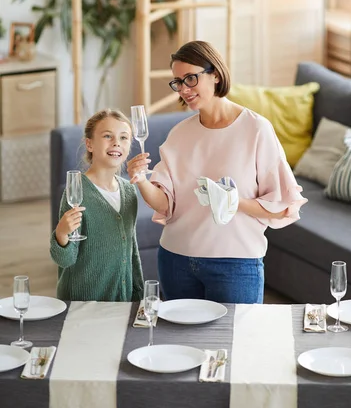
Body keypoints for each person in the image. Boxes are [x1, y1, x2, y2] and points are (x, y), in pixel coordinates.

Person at [127, 41, 307, 304]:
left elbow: (283, 207)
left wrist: (234, 203)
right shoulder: (179, 134)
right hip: (176, 260)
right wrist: (141, 180)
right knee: (182, 344)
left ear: (216, 74)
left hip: (235, 264)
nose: (184, 89)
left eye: (191, 78)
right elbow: (165, 203)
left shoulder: (256, 129)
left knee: (237, 342)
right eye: (178, 82)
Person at [50, 109, 144, 302]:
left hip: (121, 303)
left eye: (124, 137)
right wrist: (61, 234)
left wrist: (138, 295)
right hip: (83, 304)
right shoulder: (76, 192)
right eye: (107, 136)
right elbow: (65, 260)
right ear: (89, 144)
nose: (116, 142)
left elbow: (131, 251)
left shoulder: (128, 190)